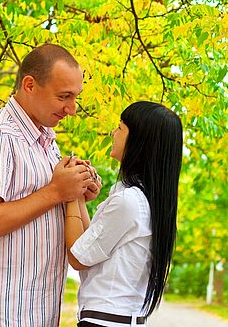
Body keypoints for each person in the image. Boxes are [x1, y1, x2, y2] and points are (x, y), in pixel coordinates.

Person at [0, 43, 102, 327]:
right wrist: (57, 191)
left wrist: (77, 192)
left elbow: (44, 207)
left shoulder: (47, 141)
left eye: (76, 98)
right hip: (2, 315)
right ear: (30, 85)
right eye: (64, 96)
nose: (72, 109)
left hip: (39, 313)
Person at [65, 101, 183, 327]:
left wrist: (69, 194)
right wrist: (79, 197)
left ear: (139, 141)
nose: (113, 132)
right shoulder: (142, 199)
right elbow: (90, 247)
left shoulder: (128, 201)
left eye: (120, 127)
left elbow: (77, 258)